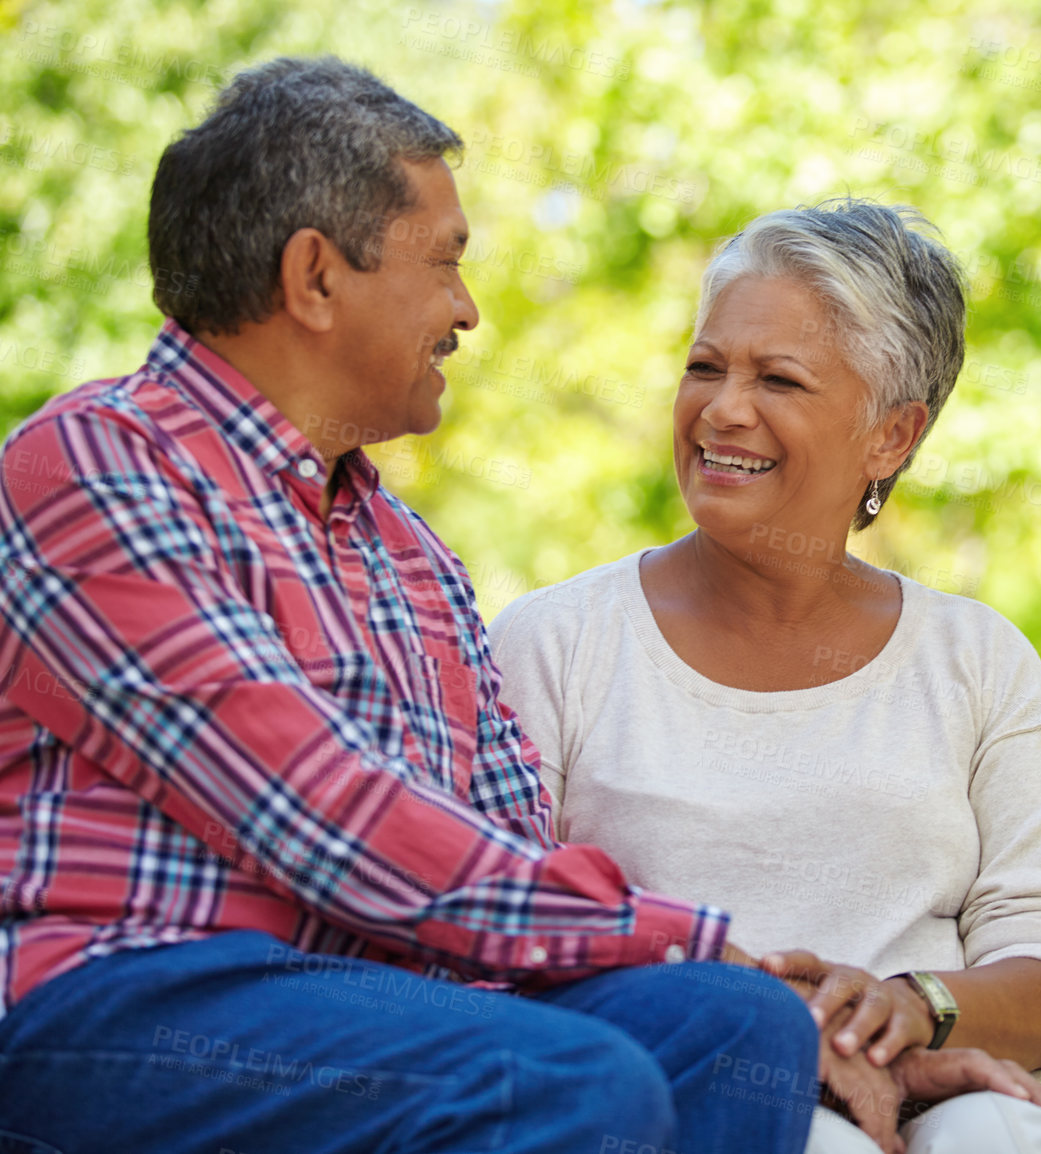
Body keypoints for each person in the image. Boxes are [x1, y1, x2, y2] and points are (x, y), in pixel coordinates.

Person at [0, 56, 832, 1154]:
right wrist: (674, 933)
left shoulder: (415, 557)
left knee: (743, 1030)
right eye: (445, 263)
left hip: (379, 1006)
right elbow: (316, 809)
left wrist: (751, 977)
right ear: (315, 277)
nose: (466, 310)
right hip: (121, 993)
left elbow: (499, 838)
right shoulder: (98, 463)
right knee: (561, 1082)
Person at [490, 199, 1041, 1153]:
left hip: (943, 1084)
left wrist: (916, 1010)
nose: (722, 408)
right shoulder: (558, 641)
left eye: (778, 379)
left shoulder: (976, 661)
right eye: (705, 367)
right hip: (680, 1091)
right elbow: (493, 929)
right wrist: (789, 1040)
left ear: (891, 437)